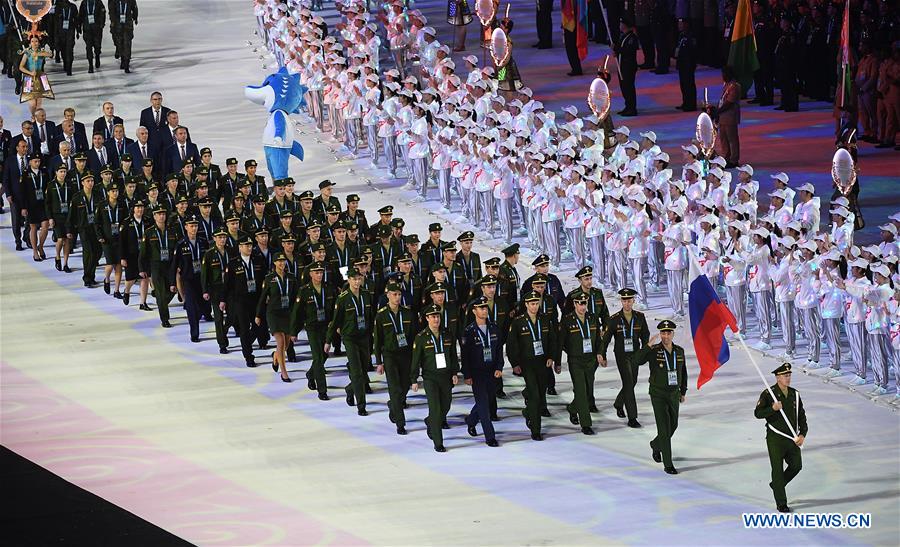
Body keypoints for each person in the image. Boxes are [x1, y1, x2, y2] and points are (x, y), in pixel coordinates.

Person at [631, 320, 688, 475]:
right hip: (658, 394)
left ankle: (656, 445)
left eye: (668, 333)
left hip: (674, 394)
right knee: (664, 429)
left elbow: (683, 372)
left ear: (673, 334)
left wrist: (683, 391)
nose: (665, 336)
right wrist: (647, 346)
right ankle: (668, 464)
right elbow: (636, 360)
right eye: (663, 333)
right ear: (660, 334)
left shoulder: (679, 351)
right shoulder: (654, 350)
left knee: (673, 425)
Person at [754, 362, 807, 513]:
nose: (788, 378)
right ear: (778, 378)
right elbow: (758, 413)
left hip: (792, 438)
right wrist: (772, 408)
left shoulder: (795, 394)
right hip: (775, 439)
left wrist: (802, 434)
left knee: (796, 466)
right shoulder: (768, 394)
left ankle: (777, 485)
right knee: (777, 470)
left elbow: (801, 416)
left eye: (789, 375)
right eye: (785, 376)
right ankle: (781, 503)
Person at [506, 290, 558, 441]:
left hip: (542, 362)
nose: (535, 306)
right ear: (526, 304)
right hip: (527, 363)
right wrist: (515, 363)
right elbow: (511, 345)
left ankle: (528, 412)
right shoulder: (518, 322)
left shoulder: (545, 319)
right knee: (535, 396)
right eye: (532, 304)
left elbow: (552, 340)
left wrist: (551, 357)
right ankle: (536, 429)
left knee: (540, 394)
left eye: (537, 303)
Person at [410, 304, 460, 452]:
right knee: (435, 409)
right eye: (433, 317)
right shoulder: (421, 338)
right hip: (430, 378)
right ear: (427, 318)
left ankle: (430, 421)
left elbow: (453, 355)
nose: (436, 319)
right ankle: (438, 442)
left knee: (446, 405)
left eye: (438, 316)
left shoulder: (447, 334)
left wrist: (454, 373)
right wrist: (414, 379)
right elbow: (416, 360)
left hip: (446, 376)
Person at [325, 267, 374, 415]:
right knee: (357, 372)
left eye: (359, 279)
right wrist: (328, 341)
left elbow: (371, 316)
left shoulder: (366, 295)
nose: (357, 282)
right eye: (354, 279)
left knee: (364, 369)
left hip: (364, 336)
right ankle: (361, 406)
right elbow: (335, 321)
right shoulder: (343, 298)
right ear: (349, 279)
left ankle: (350, 389)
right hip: (350, 337)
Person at [599, 288, 649, 428]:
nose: (627, 303)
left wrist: (644, 352)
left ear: (633, 301)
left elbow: (645, 335)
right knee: (628, 382)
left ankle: (618, 403)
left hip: (635, 354)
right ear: (621, 301)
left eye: (629, 300)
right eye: (624, 300)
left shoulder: (640, 317)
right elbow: (606, 339)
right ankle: (632, 417)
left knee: (632, 381)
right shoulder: (614, 319)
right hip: (621, 355)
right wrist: (602, 354)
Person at [372, 282, 416, 434]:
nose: (397, 297)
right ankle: (400, 423)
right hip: (390, 355)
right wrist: (379, 362)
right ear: (388, 295)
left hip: (406, 354)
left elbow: (413, 337)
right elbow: (377, 340)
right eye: (394, 294)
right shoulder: (381, 315)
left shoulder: (408, 313)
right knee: (395, 389)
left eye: (399, 294)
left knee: (405, 385)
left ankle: (393, 405)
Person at [559, 293, 605, 434]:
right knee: (581, 390)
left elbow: (599, 339)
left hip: (591, 360)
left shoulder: (592, 318)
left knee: (587, 391)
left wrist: (600, 353)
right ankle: (586, 424)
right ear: (574, 304)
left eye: (585, 303)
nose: (583, 306)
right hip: (576, 361)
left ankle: (573, 408)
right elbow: (561, 342)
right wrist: (559, 361)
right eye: (580, 303)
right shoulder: (567, 320)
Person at [461, 296, 503, 447]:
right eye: (481, 308)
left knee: (488, 400)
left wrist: (499, 367)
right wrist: (467, 375)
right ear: (474, 311)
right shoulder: (469, 332)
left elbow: (499, 350)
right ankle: (490, 437)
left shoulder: (494, 328)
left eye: (485, 307)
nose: (484, 310)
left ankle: (471, 420)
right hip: (477, 373)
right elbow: (465, 356)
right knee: (484, 406)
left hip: (492, 371)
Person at [256, 252, 298, 382]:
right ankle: (284, 373)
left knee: (286, 344)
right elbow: (263, 297)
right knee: (280, 341)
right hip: (273, 313)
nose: (282, 263)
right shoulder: (269, 278)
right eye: (279, 261)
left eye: (283, 261)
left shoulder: (291, 277)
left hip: (287, 313)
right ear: (274, 263)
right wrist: (258, 315)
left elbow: (296, 296)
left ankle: (276, 355)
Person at [169, 215, 207, 343]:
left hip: (201, 279)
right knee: (191, 307)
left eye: (195, 226)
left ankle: (198, 315)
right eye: (191, 226)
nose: (194, 228)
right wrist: (172, 283)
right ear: (186, 227)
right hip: (188, 279)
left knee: (201, 306)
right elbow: (174, 264)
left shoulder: (203, 242)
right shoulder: (180, 244)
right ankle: (194, 333)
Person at [67, 173, 104, 287]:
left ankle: (91, 275)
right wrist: (69, 230)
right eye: (88, 181)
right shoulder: (77, 197)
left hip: (96, 228)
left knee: (97, 252)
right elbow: (71, 215)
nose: (90, 183)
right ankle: (87, 277)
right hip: (84, 228)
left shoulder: (98, 196)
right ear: (82, 183)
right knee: (89, 252)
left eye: (92, 181)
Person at [202, 228, 232, 354]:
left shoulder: (231, 251)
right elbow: (204, 274)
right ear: (214, 238)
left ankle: (223, 332)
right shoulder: (209, 254)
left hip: (230, 287)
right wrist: (205, 290)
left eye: (224, 237)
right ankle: (222, 344)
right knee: (218, 318)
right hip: (215, 288)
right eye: (220, 237)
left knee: (232, 315)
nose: (222, 240)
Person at [21, 152, 50, 261]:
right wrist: (23, 207)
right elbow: (22, 192)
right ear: (30, 162)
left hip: (43, 204)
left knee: (45, 226)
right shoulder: (25, 174)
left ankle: (40, 246)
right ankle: (34, 251)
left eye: (39, 161)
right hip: (31, 205)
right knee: (33, 227)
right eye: (35, 161)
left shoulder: (44, 172)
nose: (37, 163)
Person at [19, 35, 54, 116]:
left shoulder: (41, 52)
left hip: (40, 78)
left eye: (36, 41)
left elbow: (50, 55)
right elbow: (21, 67)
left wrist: (38, 54)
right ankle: (33, 116)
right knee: (32, 103)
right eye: (32, 41)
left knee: (38, 103)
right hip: (29, 79)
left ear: (39, 43)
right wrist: (30, 73)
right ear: (30, 43)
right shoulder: (27, 53)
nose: (34, 43)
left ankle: (37, 118)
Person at [714, 66, 741, 167]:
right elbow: (722, 100)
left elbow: (729, 103)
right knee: (723, 139)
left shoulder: (735, 86)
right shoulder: (727, 85)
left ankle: (734, 160)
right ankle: (726, 157)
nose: (723, 76)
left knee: (732, 140)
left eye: (724, 74)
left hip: (730, 117)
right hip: (723, 117)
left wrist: (717, 111)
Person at [614, 16, 639, 116]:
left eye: (621, 24)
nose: (620, 25)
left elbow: (629, 51)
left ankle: (632, 108)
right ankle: (627, 106)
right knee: (624, 87)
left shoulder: (632, 38)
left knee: (629, 88)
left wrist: (617, 49)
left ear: (625, 25)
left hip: (628, 66)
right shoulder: (623, 36)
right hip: (622, 66)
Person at [674, 19, 697, 112]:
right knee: (683, 85)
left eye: (681, 24)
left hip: (688, 64)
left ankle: (691, 104)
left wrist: (691, 64)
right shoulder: (681, 35)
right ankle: (685, 102)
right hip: (682, 64)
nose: (679, 26)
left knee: (689, 85)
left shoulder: (691, 36)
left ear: (686, 24)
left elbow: (693, 52)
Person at [109, 0, 138, 73]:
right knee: (120, 43)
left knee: (127, 43)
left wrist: (135, 18)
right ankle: (122, 59)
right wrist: (113, 22)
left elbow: (134, 8)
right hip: (118, 24)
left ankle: (126, 63)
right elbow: (112, 11)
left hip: (127, 24)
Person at [78, 0, 106, 73]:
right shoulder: (84, 3)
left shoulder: (98, 2)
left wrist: (102, 23)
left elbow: (103, 12)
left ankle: (97, 56)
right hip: (87, 28)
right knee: (88, 47)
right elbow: (80, 15)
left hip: (97, 28)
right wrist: (79, 26)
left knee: (97, 45)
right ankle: (90, 65)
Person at [55, 0, 79, 76]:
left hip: (70, 31)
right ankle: (65, 63)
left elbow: (76, 19)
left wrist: (78, 30)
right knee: (63, 49)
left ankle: (69, 68)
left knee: (69, 49)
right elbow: (55, 21)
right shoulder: (58, 8)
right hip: (60, 31)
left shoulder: (73, 7)